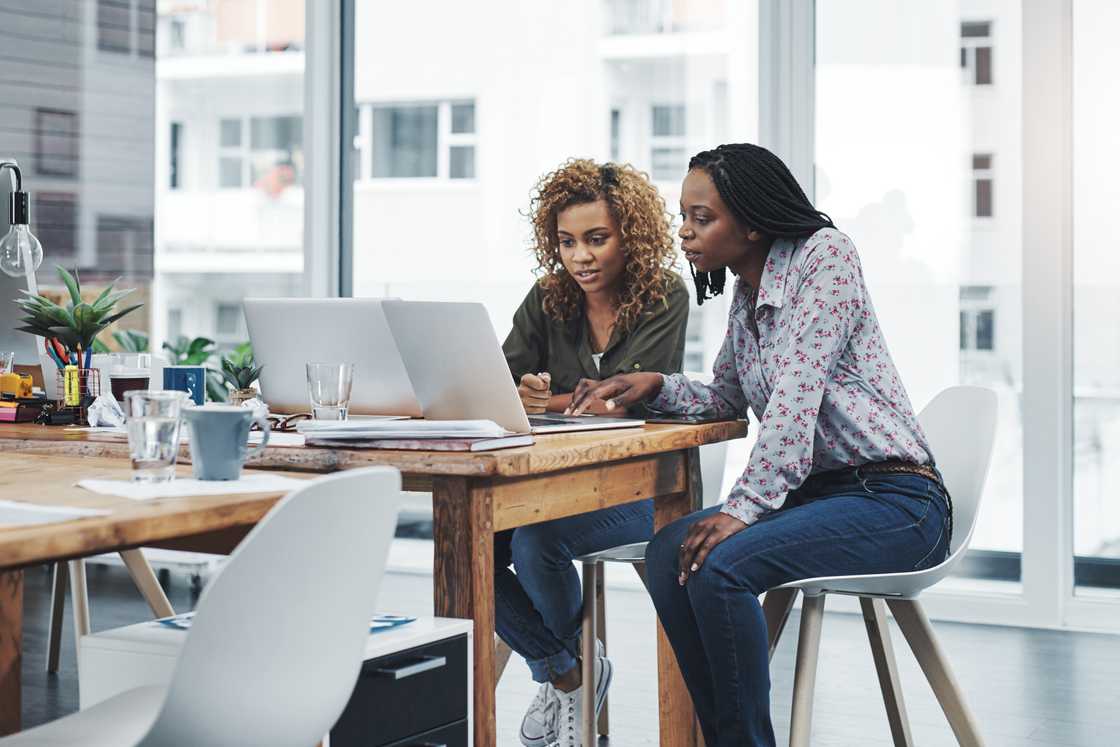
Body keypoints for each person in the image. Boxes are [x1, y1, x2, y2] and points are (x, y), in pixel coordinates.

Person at [568, 143, 951, 746]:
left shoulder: (825, 257)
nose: (685, 232)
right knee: (668, 552)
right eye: (684, 216)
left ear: (750, 222)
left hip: (897, 499)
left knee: (720, 565)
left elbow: (794, 404)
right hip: (821, 497)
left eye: (702, 218)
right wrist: (656, 386)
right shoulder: (748, 295)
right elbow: (727, 397)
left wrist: (742, 509)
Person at [500, 158, 689, 747]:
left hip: (644, 489)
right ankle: (569, 672)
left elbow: (622, 401)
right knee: (469, 544)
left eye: (596, 239)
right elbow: (497, 382)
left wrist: (547, 400)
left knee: (536, 544)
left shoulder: (664, 295)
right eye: (566, 242)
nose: (579, 256)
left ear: (630, 235)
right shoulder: (547, 298)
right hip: (551, 484)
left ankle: (564, 672)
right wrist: (521, 392)